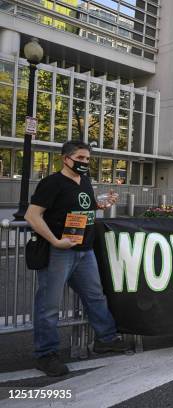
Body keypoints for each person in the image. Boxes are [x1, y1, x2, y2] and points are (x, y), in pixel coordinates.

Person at [24, 141, 130, 377]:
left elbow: (84, 209)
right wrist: (55, 241)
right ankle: (46, 354)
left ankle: (106, 339)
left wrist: (100, 205)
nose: (84, 163)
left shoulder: (85, 181)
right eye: (80, 158)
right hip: (58, 251)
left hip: (85, 250)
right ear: (65, 158)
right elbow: (32, 215)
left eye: (87, 159)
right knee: (49, 305)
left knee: (95, 296)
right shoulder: (51, 183)